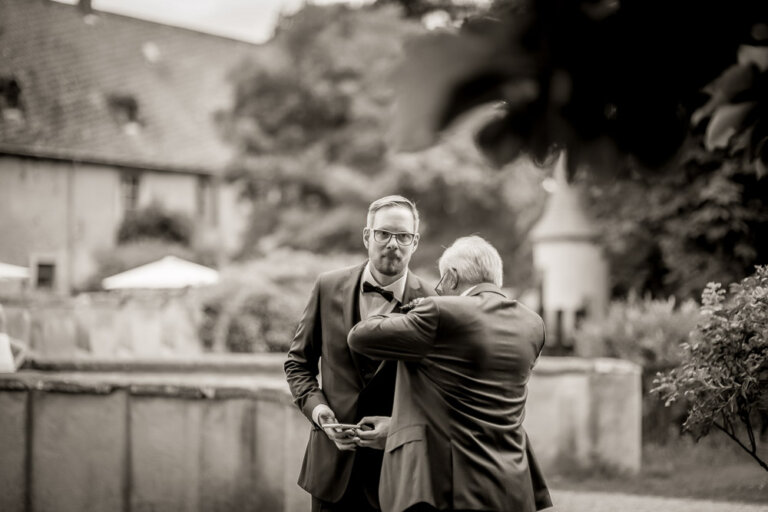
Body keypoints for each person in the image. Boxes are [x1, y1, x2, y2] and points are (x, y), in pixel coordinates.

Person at [348, 236, 552, 512]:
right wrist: (397, 427)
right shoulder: (533, 324)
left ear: (452, 277)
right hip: (514, 485)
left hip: (450, 489)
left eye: (441, 284)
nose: (439, 290)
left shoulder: (439, 311)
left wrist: (409, 308)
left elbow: (360, 337)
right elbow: (471, 401)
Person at [284, 195, 434, 512]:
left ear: (415, 242)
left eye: (403, 236)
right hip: (331, 472)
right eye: (384, 233)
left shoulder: (437, 301)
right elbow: (298, 365)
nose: (393, 244)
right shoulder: (327, 287)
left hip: (403, 476)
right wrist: (319, 412)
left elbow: (444, 391)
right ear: (367, 236)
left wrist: (398, 428)